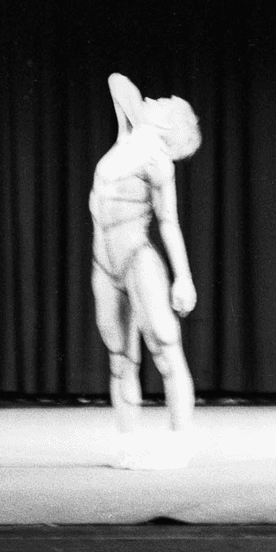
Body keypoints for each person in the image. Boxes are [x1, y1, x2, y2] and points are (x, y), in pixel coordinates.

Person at [89, 73, 202, 469]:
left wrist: (183, 277)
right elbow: (117, 80)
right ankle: (128, 442)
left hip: (137, 256)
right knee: (120, 358)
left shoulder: (158, 162)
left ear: (169, 124)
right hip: (104, 264)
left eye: (163, 101)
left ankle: (181, 443)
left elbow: (169, 223)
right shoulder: (128, 132)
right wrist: (140, 120)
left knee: (165, 347)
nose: (155, 97)